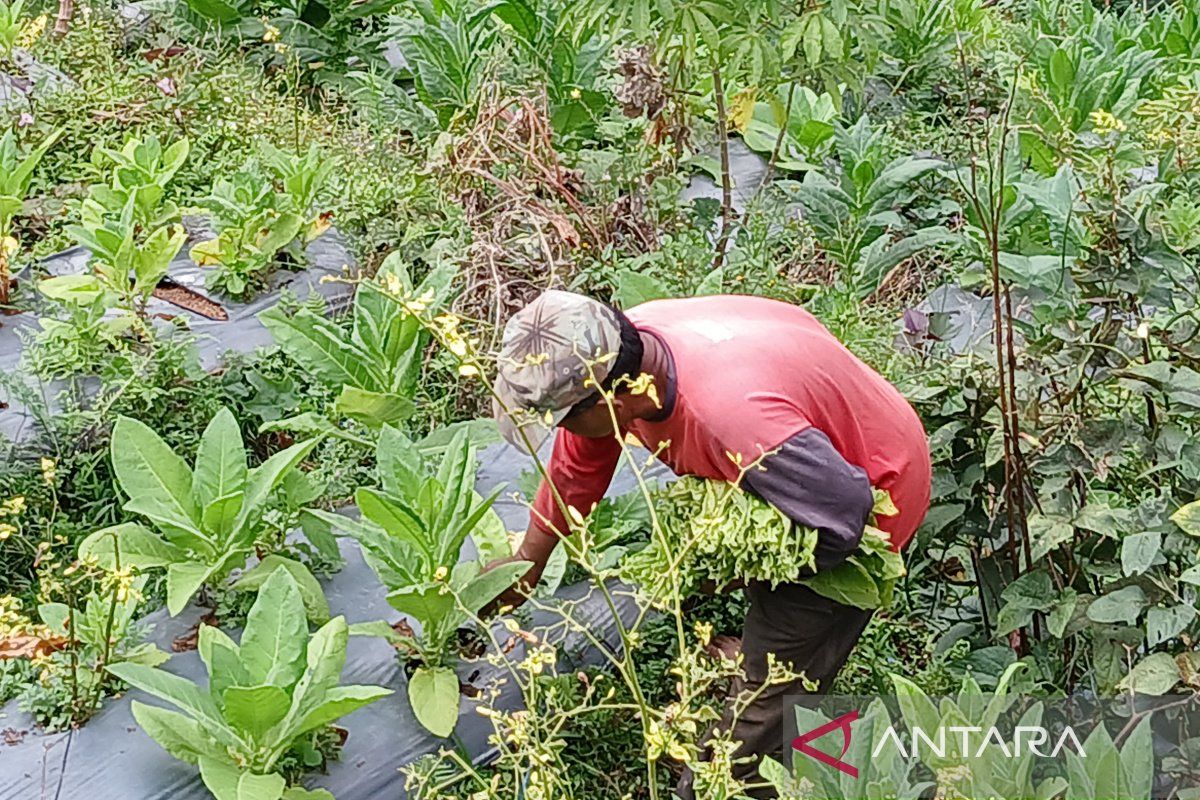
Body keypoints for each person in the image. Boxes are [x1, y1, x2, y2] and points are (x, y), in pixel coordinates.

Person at [486, 289, 931, 797]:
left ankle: (741, 777)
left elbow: (843, 519)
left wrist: (738, 569)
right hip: (816, 436)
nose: (561, 430)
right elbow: (577, 465)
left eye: (562, 418)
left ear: (616, 396)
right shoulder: (621, 350)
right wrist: (527, 561)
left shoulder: (729, 418)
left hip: (873, 491)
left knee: (764, 702)